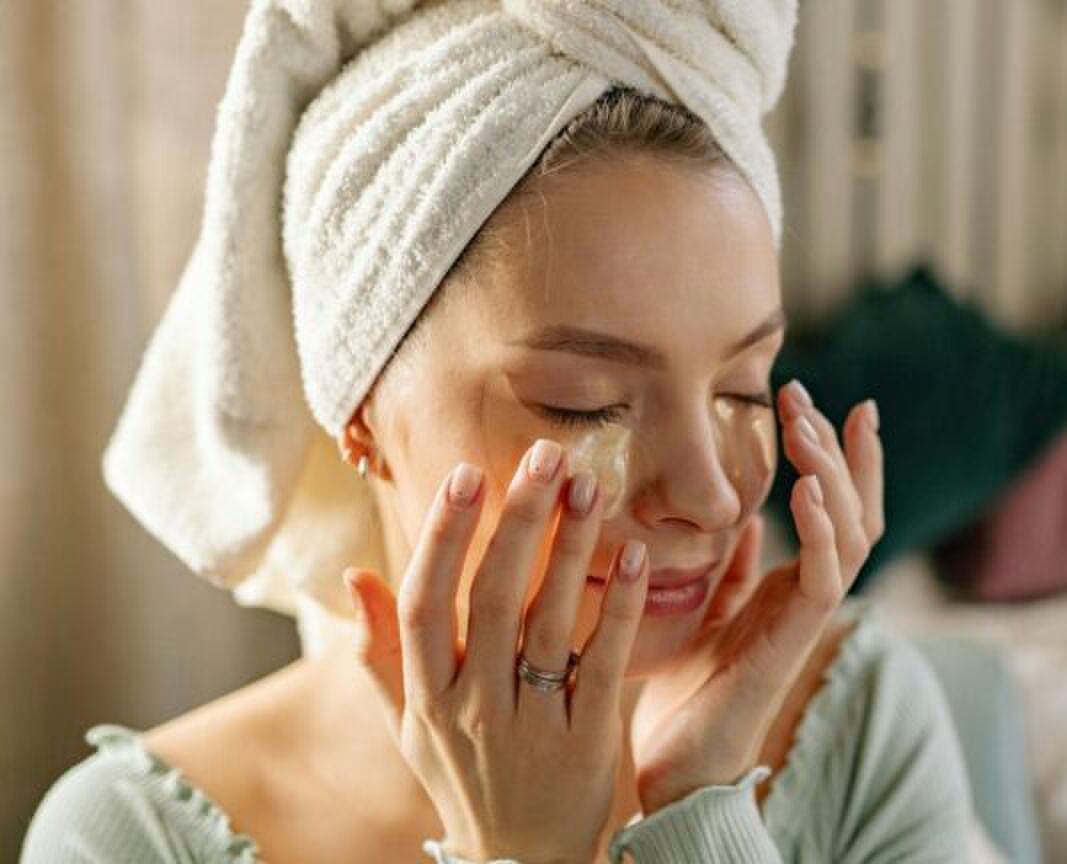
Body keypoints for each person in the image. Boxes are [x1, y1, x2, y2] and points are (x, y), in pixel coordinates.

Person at [22, 2, 978, 861]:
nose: (715, 494)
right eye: (587, 402)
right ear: (360, 412)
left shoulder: (859, 724)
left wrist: (700, 809)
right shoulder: (129, 841)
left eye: (741, 388)